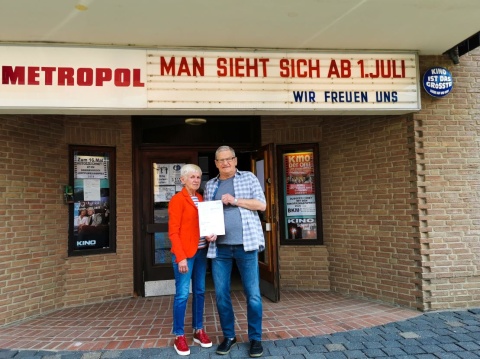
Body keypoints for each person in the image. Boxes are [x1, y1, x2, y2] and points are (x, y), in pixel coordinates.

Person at [204, 146, 266, 358]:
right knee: (221, 295)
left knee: (253, 296)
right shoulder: (211, 185)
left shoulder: (248, 178)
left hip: (246, 246)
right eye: (221, 160)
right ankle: (229, 336)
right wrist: (208, 232)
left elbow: (262, 205)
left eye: (229, 159)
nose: (225, 163)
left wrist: (236, 200)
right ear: (216, 163)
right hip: (220, 249)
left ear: (235, 160)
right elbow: (207, 215)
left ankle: (255, 338)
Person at [168, 164, 214, 356]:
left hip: (202, 252)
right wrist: (181, 258)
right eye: (192, 177)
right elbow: (173, 232)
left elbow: (201, 226)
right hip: (185, 255)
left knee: (200, 292)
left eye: (198, 177)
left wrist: (211, 235)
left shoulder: (201, 198)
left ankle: (198, 330)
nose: (196, 180)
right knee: (182, 295)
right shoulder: (177, 200)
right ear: (183, 180)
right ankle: (179, 335)